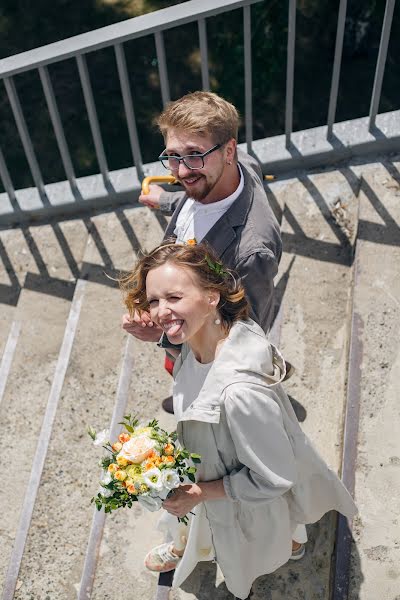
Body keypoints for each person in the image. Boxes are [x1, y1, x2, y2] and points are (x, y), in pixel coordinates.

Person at [120, 241, 356, 600]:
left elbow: (273, 478)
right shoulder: (213, 335)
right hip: (209, 459)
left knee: (256, 539)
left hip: (232, 488)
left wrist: (198, 493)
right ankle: (283, 539)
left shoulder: (240, 395)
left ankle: (284, 543)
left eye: (174, 298)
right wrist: (164, 340)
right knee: (263, 525)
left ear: (212, 296)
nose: (161, 311)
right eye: (154, 301)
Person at [122, 92, 283, 409]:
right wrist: (166, 201)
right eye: (173, 156)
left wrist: (165, 335)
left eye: (194, 155)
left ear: (228, 151)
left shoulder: (252, 251)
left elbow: (244, 336)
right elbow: (192, 203)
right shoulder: (240, 165)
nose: (180, 173)